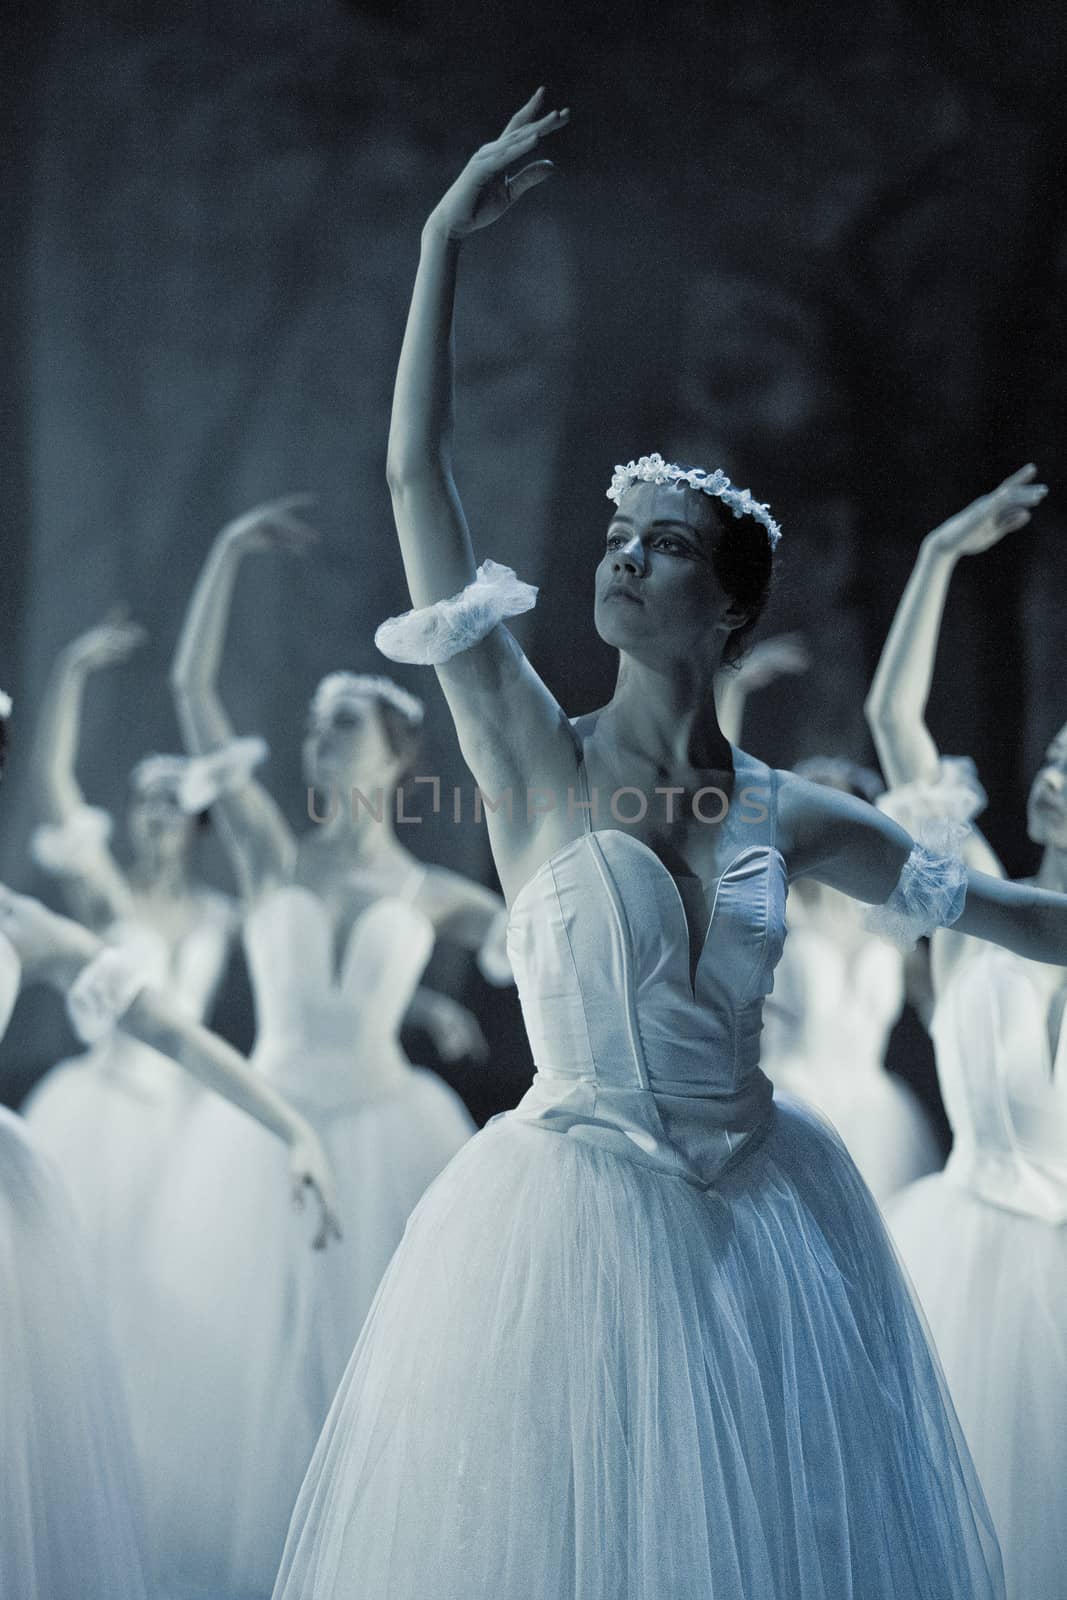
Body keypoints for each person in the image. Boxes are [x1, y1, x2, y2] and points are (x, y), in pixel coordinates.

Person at [267, 92, 1067, 1598]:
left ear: (729, 608)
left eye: (664, 546)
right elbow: (410, 482)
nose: (622, 555)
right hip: (568, 1220)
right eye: (618, 536)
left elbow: (1012, 918)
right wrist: (444, 239)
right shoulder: (522, 749)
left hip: (763, 1218)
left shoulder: (796, 816)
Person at [144, 496, 513, 1595]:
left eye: (339, 726)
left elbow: (551, 941)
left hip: (392, 1132)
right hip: (265, 1133)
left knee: (377, 1370)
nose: (316, 742)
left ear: (395, 753)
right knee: (255, 1377)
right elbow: (190, 694)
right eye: (312, 729)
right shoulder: (268, 853)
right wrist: (219, 550)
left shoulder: (435, 894)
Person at [0, 689, 339, 1600]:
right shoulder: (86, 900)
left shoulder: (25, 927)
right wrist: (72, 671)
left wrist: (291, 1125)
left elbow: (177, 1032)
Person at [865, 465, 1066, 1599]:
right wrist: (938, 556)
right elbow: (895, 723)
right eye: (1049, 758)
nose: (1050, 776)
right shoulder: (971, 890)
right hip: (963, 1248)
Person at [23, 614, 254, 1268]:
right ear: (129, 815)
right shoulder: (105, 894)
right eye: (147, 801)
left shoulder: (218, 914)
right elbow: (51, 785)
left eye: (173, 803)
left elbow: (290, 948)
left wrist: (419, 1007)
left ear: (196, 825)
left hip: (191, 1121)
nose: (158, 813)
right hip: (103, 1113)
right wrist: (71, 669)